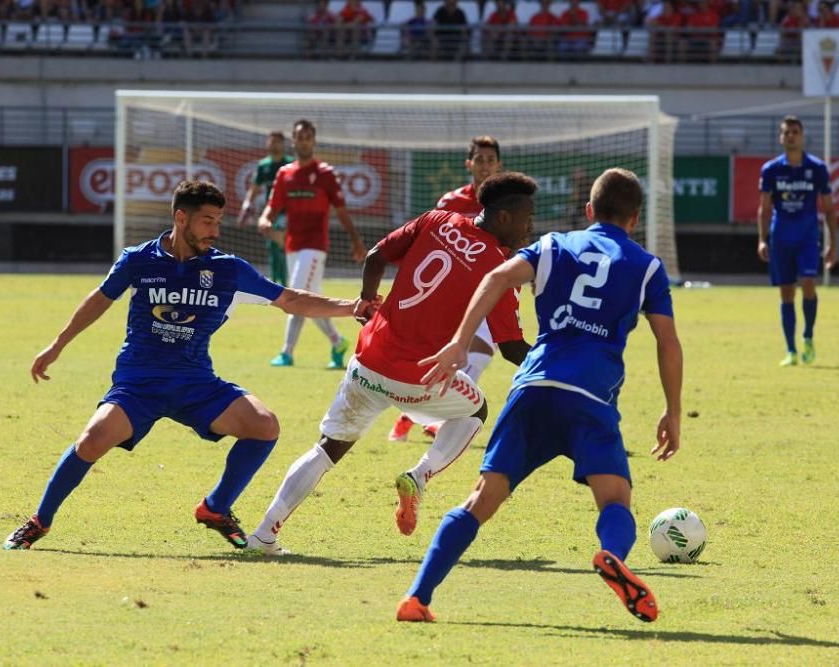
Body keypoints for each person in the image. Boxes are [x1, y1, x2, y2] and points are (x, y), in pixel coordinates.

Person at [3, 180, 373, 551]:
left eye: (218, 222)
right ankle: (39, 522)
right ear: (181, 218)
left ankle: (215, 508)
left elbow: (291, 299)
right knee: (91, 440)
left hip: (196, 383)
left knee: (264, 426)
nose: (215, 231)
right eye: (207, 221)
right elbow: (99, 300)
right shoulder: (139, 259)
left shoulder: (228, 270)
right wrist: (57, 345)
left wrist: (352, 307)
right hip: (139, 384)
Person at [395, 167, 683, 624]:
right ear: (634, 220)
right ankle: (611, 555)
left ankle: (417, 598)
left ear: (589, 211)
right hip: (590, 395)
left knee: (480, 501)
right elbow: (666, 341)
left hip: (533, 385)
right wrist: (672, 411)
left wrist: (457, 342)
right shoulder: (646, 266)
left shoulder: (552, 245)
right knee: (614, 500)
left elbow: (494, 279)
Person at [246, 173, 536, 555]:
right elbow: (512, 348)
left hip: (369, 361)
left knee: (326, 449)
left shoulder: (436, 219)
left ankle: (263, 533)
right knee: (476, 410)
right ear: (502, 218)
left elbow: (375, 257)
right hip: (419, 379)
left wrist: (367, 303)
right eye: (526, 218)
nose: (530, 228)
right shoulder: (499, 267)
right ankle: (420, 475)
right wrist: (560, 363)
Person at [388, 135, 509, 443]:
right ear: (469, 164)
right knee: (440, 355)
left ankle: (434, 418)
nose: (485, 166)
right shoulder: (451, 202)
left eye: (490, 160)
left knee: (480, 354)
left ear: (499, 164)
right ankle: (412, 414)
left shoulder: (507, 206)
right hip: (451, 294)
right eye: (479, 160)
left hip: (489, 292)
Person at [259, 119, 368, 369]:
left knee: (295, 297)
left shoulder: (325, 174)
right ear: (293, 140)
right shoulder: (285, 173)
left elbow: (341, 211)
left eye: (309, 136)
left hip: (315, 246)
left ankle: (286, 352)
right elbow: (272, 207)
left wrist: (356, 240)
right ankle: (337, 341)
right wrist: (265, 220)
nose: (304, 140)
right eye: (300, 136)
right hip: (291, 245)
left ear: (314, 141)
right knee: (308, 301)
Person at [757, 115, 837, 367]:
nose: (790, 136)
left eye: (794, 131)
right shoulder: (771, 170)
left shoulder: (817, 168)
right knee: (787, 292)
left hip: (807, 237)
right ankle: (790, 350)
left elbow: (829, 209)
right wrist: (762, 239)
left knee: (809, 283)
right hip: (780, 237)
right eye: (786, 132)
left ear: (802, 136)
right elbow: (764, 208)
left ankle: (808, 337)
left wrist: (832, 243)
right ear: (780, 138)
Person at [238, 130, 292, 286]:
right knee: (273, 248)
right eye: (271, 141)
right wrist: (246, 206)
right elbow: (254, 189)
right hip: (271, 213)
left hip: (287, 213)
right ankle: (276, 282)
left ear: (283, 144)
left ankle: (285, 282)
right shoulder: (263, 165)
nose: (273, 144)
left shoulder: (290, 164)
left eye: (277, 141)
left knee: (284, 247)